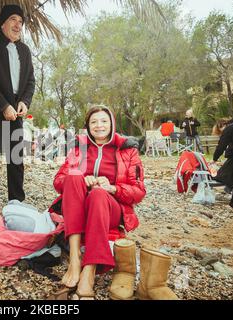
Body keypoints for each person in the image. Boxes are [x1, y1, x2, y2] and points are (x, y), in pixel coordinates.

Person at [52, 105, 145, 299]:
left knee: (98, 195)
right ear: (87, 126)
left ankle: (90, 268)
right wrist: (81, 179)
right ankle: (76, 259)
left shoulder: (128, 150)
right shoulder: (79, 148)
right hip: (80, 209)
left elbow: (139, 192)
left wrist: (112, 188)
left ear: (112, 123)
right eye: (93, 122)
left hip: (110, 209)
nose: (99, 125)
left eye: (104, 121)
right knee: (74, 175)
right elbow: (59, 181)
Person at [0, 4, 35, 219]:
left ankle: (16, 204)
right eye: (13, 19)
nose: (17, 25)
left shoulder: (24, 50)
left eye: (20, 22)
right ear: (2, 23)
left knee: (16, 159)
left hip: (16, 111)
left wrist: (24, 103)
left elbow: (30, 81)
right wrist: (3, 106)